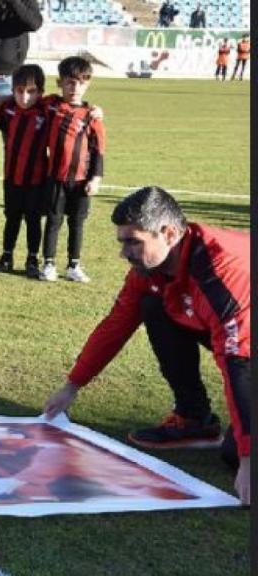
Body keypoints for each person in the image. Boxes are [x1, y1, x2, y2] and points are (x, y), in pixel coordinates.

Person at [43, 186, 250, 506]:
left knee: (236, 453)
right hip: (241, 344)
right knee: (154, 306)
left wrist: (248, 456)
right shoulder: (150, 272)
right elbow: (116, 325)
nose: (123, 252)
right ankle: (194, 419)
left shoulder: (220, 272)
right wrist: (72, 385)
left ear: (168, 233)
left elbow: (239, 362)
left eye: (133, 242)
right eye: (122, 241)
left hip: (246, 347)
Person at [39, 56, 105, 283]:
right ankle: (48, 263)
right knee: (53, 220)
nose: (75, 87)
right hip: (56, 177)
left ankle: (73, 265)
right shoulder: (50, 105)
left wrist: (96, 178)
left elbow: (98, 149)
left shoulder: (91, 115)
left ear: (88, 84)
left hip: (80, 180)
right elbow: (27, 101)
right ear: (60, 83)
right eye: (70, 82)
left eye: (81, 82)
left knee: (77, 223)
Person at [0, 64, 49, 278]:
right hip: (12, 176)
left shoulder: (46, 111)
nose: (24, 97)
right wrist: (5, 98)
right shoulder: (7, 111)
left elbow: (63, 104)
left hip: (36, 179)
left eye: (31, 91)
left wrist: (93, 109)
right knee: (12, 217)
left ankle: (32, 258)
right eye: (19, 91)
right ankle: (6, 255)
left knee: (33, 220)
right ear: (13, 89)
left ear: (40, 92)